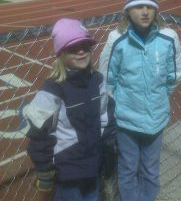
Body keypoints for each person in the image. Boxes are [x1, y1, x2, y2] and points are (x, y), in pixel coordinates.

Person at [99, 0, 181, 201]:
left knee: (151, 169)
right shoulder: (116, 40)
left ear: (156, 9)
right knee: (127, 169)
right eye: (138, 6)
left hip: (156, 119)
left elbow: (173, 76)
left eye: (149, 6)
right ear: (128, 10)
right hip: (127, 121)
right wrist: (122, 103)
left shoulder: (169, 37)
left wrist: (157, 97)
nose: (145, 11)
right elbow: (108, 79)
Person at [23, 18, 115, 201]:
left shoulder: (98, 81)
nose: (81, 51)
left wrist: (108, 152)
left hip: (94, 167)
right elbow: (39, 135)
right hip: (68, 173)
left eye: (86, 46)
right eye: (73, 48)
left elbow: (107, 118)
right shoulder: (53, 89)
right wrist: (44, 170)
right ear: (61, 53)